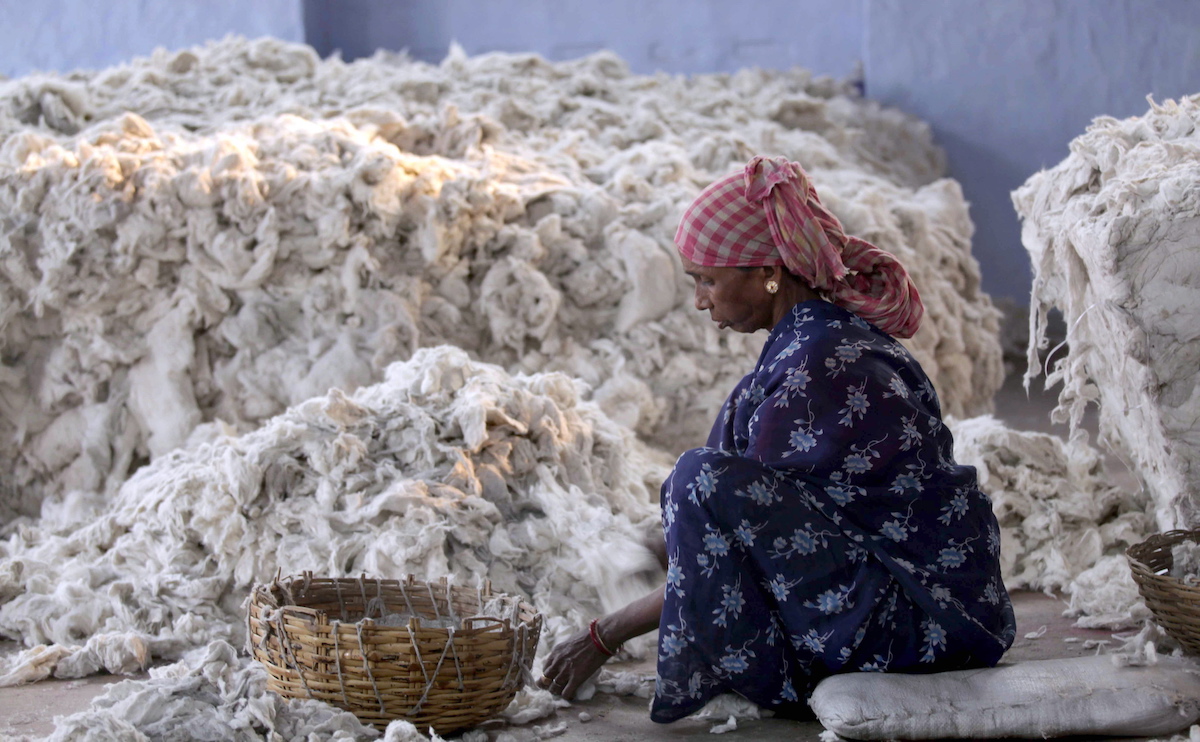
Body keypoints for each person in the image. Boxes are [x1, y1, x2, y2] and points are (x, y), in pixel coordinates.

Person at [537, 156, 1016, 722]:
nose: (699, 300)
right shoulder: (805, 347)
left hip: (924, 619)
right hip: (922, 599)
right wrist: (644, 549)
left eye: (707, 280)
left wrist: (604, 636)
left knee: (701, 475)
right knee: (704, 473)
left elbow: (752, 547)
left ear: (767, 272)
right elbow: (751, 520)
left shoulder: (818, 369)